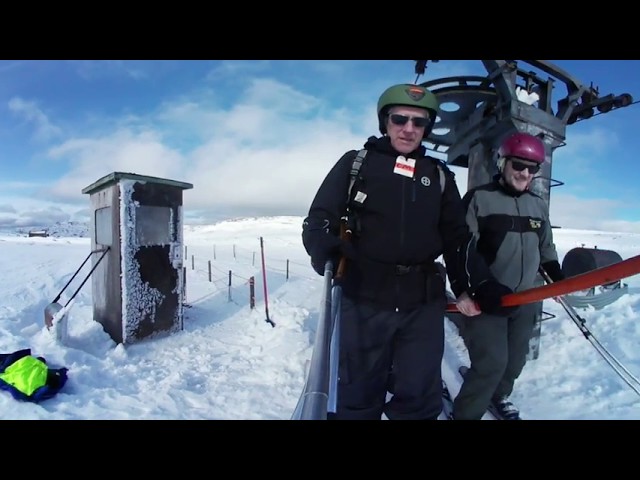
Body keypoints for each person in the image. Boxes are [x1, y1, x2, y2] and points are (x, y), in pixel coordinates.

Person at [301, 83, 513, 420]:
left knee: (418, 396)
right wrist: (323, 247)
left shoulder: (439, 175)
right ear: (385, 122)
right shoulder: (357, 164)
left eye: (419, 122)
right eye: (400, 119)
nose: (409, 129)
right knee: (359, 391)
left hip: (421, 303)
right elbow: (318, 219)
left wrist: (477, 284)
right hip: (365, 296)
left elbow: (456, 238)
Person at [451, 131, 565, 420]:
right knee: (491, 363)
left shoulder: (537, 205)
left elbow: (546, 246)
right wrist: (478, 285)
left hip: (526, 298)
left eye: (532, 168)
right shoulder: (479, 199)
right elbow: (461, 248)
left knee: (514, 363)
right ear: (502, 163)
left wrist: (555, 271)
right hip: (489, 298)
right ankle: (466, 413)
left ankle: (497, 396)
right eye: (518, 165)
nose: (525, 173)